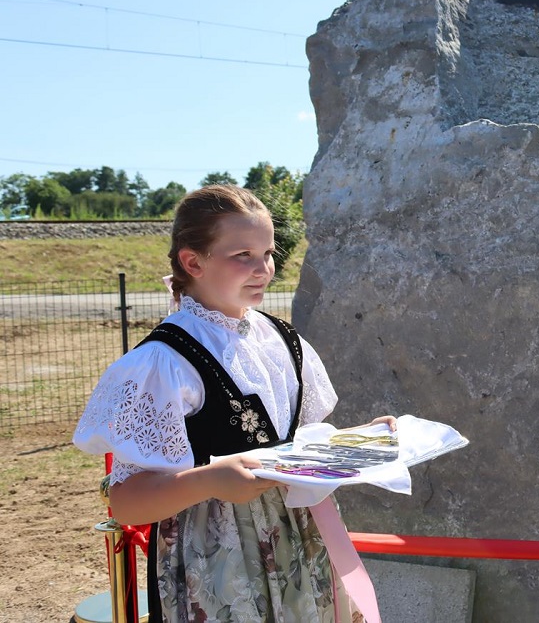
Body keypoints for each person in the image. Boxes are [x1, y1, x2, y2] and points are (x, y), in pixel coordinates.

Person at [73, 184, 394, 622]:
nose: (263, 269)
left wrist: (357, 442)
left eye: (268, 253)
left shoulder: (282, 340)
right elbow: (128, 503)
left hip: (304, 540)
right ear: (193, 262)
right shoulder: (163, 363)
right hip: (220, 561)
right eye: (243, 255)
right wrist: (208, 480)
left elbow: (294, 443)